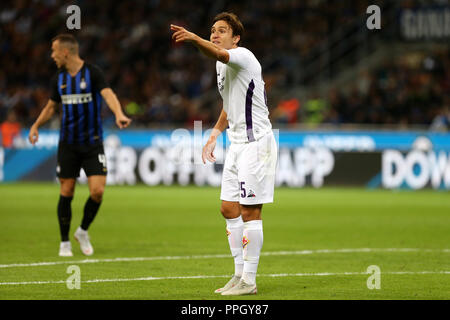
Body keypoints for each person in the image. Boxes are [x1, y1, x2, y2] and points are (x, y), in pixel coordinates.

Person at [171, 12, 277, 296]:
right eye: (212, 30)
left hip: (257, 143)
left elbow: (217, 52)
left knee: (250, 211)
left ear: (236, 38)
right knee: (228, 208)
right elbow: (230, 104)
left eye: (221, 30)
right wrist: (215, 133)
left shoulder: (243, 56)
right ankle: (238, 274)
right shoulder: (221, 67)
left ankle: (250, 281)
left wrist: (194, 38)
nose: (215, 34)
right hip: (237, 142)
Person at [28, 34, 131, 257]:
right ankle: (64, 242)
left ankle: (82, 231)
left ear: (66, 52)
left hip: (93, 143)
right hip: (68, 144)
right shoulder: (59, 78)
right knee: (67, 190)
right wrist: (36, 125)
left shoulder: (93, 73)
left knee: (97, 192)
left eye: (54, 51)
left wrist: (119, 113)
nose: (52, 55)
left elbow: (108, 94)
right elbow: (51, 107)